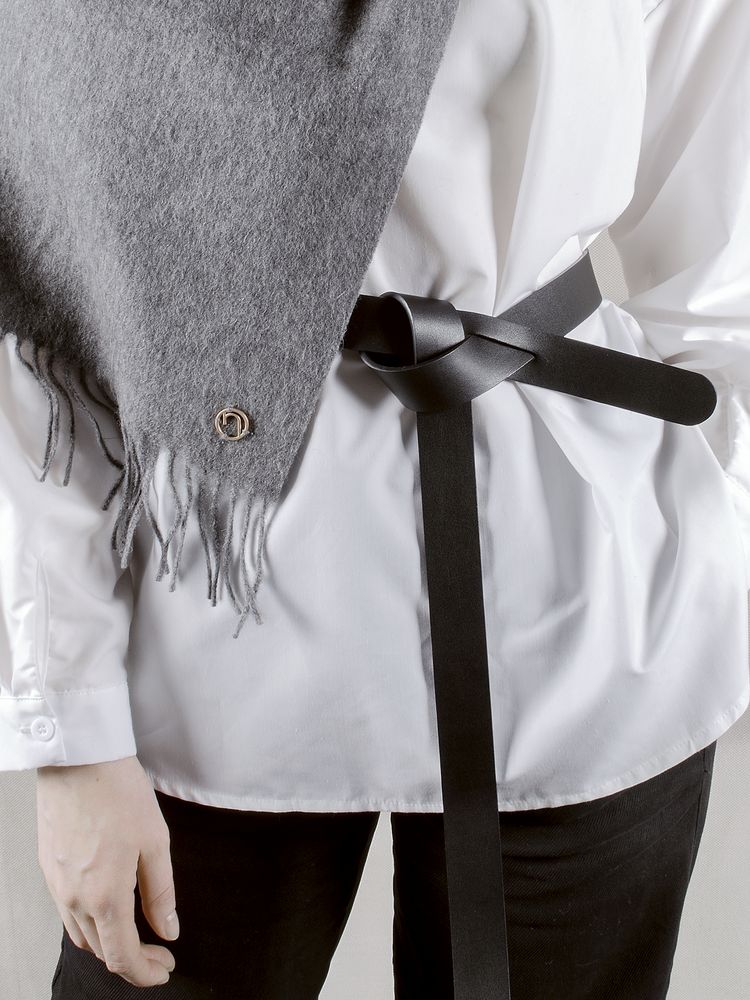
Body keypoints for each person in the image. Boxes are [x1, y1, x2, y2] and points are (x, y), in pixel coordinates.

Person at [1, 0, 748, 997]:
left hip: (589, 594)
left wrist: (723, 535)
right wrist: (72, 735)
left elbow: (722, 270)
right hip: (209, 609)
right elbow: (42, 330)